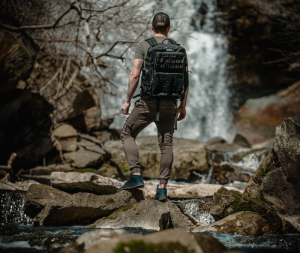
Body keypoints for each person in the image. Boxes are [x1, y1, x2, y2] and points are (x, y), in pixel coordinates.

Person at [118, 12, 189, 201]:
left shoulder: (144, 46)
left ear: (151, 27)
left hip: (148, 103)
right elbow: (186, 80)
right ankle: (162, 189)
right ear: (168, 28)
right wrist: (182, 106)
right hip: (170, 105)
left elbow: (135, 75)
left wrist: (127, 100)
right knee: (166, 144)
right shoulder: (178, 49)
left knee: (127, 133)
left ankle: (135, 175)